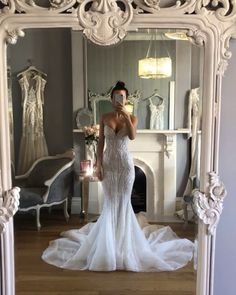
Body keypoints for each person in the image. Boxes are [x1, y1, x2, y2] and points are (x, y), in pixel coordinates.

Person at [42, 81, 194, 272]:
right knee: (110, 203)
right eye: (116, 97)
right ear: (111, 99)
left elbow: (131, 136)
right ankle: (108, 245)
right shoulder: (104, 117)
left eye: (122, 97)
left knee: (123, 203)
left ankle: (124, 246)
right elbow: (99, 144)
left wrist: (125, 116)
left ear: (126, 99)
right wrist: (97, 165)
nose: (118, 100)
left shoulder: (133, 118)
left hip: (125, 167)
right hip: (108, 165)